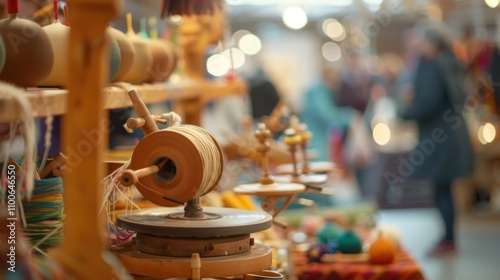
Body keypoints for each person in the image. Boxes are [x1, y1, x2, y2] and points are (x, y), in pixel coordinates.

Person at [400, 25, 474, 255]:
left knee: (441, 189)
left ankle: (448, 239)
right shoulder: (451, 62)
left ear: (430, 44)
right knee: (444, 188)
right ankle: (448, 237)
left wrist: (404, 112)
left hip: (440, 136)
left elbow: (427, 101)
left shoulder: (436, 66)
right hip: (451, 133)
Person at [301, 67, 356, 162]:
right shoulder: (317, 92)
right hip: (314, 138)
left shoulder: (322, 91)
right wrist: (348, 117)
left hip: (317, 136)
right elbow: (326, 115)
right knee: (317, 164)